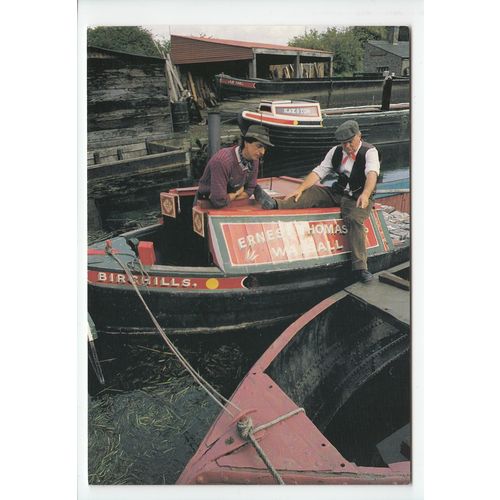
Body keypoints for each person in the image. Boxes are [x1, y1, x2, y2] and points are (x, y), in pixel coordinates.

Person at [254, 120, 380, 283]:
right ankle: (275, 204)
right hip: (338, 192)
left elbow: (372, 174)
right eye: (344, 143)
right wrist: (300, 188)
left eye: (350, 142)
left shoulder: (370, 152)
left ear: (359, 136)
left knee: (354, 220)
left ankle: (360, 268)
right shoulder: (335, 151)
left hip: (358, 197)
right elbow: (319, 172)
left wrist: (366, 193)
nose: (347, 146)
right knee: (311, 192)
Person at [196, 125, 273, 208]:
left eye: (265, 148)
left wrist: (231, 196)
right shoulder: (222, 161)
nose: (262, 152)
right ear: (246, 142)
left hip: (228, 203)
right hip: (206, 204)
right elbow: (218, 201)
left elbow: (250, 189)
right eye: (259, 146)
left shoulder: (254, 159)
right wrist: (237, 193)